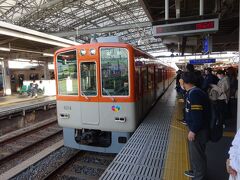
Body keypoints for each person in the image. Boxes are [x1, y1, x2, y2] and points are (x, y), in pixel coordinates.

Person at [181, 72, 210, 180]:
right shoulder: (193, 91)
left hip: (199, 130)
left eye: (181, 80)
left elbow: (198, 116)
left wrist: (193, 131)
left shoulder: (195, 94)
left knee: (198, 155)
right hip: (198, 129)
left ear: (185, 82)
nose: (180, 82)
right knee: (196, 154)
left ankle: (199, 176)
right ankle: (196, 171)